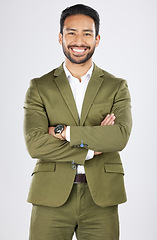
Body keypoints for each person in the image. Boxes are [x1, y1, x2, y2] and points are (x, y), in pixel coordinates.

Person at [24, 4, 132, 240]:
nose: (79, 41)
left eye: (87, 33)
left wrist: (64, 132)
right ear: (61, 37)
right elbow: (35, 144)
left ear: (97, 38)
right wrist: (91, 149)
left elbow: (119, 136)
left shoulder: (116, 86)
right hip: (49, 196)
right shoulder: (40, 87)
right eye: (71, 33)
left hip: (101, 198)